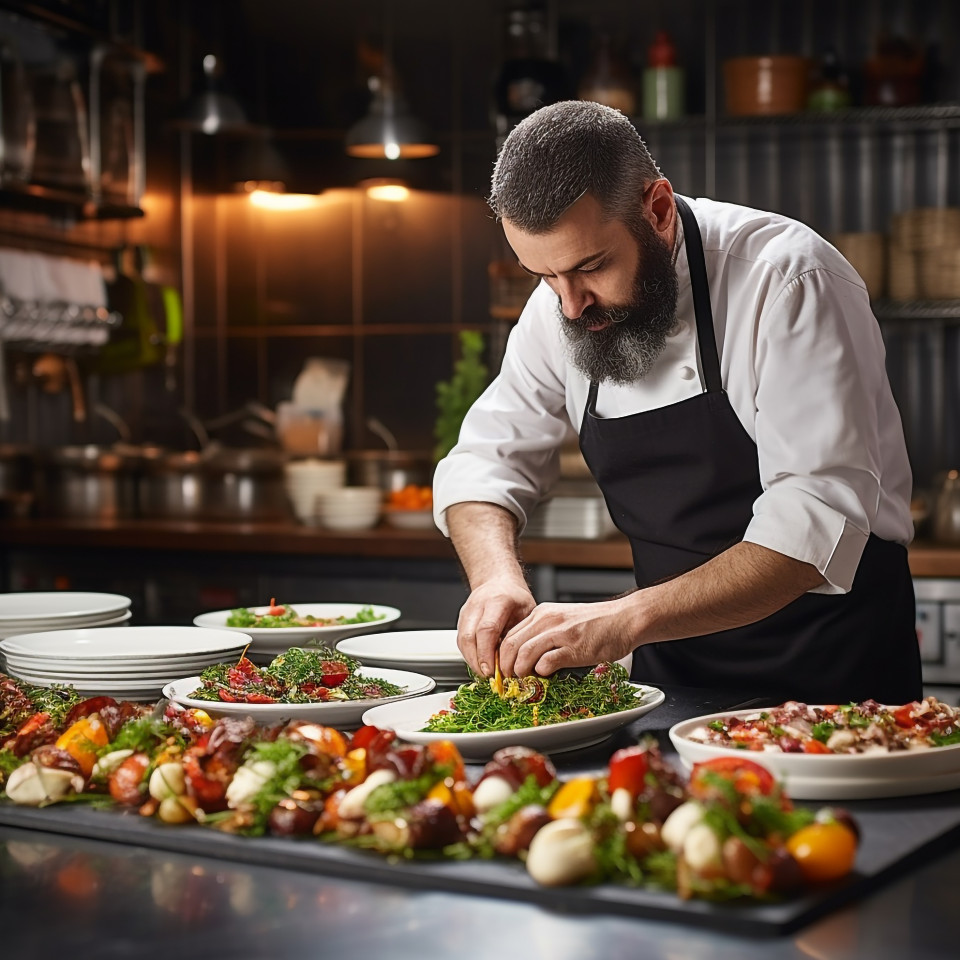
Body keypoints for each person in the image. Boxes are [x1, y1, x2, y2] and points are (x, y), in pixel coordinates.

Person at [432, 100, 922, 705]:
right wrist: (495, 580)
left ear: (658, 209)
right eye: (544, 276)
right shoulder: (562, 301)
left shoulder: (788, 279)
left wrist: (622, 620)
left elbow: (812, 525)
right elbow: (485, 459)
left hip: (835, 680)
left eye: (592, 266)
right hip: (674, 680)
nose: (570, 306)